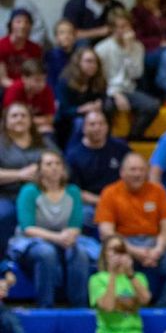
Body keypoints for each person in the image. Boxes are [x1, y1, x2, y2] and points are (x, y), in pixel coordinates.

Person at [95, 152, 166, 308]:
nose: (138, 174)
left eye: (141, 170)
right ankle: (120, 309)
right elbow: (106, 232)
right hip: (123, 246)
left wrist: (158, 250)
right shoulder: (110, 192)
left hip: (153, 244)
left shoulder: (158, 191)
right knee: (105, 257)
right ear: (122, 172)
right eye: (133, 170)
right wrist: (134, 251)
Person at [9, 150, 94, 307]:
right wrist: (57, 238)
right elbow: (27, 228)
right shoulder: (29, 191)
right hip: (32, 241)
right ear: (40, 169)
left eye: (57, 163)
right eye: (48, 164)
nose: (54, 167)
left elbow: (76, 225)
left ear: (63, 168)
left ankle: (79, 307)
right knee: (46, 252)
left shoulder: (73, 191)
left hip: (64, 240)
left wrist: (68, 236)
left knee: (80, 253)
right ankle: (45, 306)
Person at [95, 9, 160, 140]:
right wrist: (115, 94)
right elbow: (100, 79)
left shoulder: (137, 47)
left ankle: (132, 138)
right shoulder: (101, 48)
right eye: (118, 27)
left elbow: (137, 74)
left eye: (125, 26)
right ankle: (106, 140)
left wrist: (128, 50)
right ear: (112, 28)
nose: (122, 30)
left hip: (129, 89)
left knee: (152, 105)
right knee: (107, 107)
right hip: (108, 90)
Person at [0, 104, 56, 253]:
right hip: (8, 196)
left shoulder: (44, 142)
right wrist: (19, 174)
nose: (19, 119)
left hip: (43, 195)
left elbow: (63, 167)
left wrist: (44, 171)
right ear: (5, 120)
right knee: (3, 215)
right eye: (14, 116)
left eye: (23, 115)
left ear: (31, 120)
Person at [66, 109, 129, 231]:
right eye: (92, 124)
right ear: (84, 128)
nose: (97, 128)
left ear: (107, 127)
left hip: (120, 199)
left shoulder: (121, 148)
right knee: (84, 216)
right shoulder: (73, 156)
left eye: (101, 124)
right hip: (91, 204)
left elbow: (134, 172)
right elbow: (76, 191)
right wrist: (104, 202)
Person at [55, 46, 112, 148]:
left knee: (105, 115)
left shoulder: (98, 81)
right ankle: (73, 152)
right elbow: (63, 110)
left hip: (93, 115)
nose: (93, 65)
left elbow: (103, 99)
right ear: (78, 63)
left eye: (95, 62)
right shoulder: (65, 82)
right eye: (88, 61)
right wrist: (81, 109)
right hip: (69, 120)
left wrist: (99, 104)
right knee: (80, 122)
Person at [4, 59, 55, 135]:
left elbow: (50, 119)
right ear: (24, 79)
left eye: (44, 80)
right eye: (37, 80)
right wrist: (35, 123)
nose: (42, 84)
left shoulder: (47, 91)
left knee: (48, 131)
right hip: (16, 127)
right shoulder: (14, 90)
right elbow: (8, 119)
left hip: (35, 127)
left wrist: (29, 122)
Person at [0, 9, 42, 87]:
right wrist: (19, 88)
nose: (22, 26)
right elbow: (2, 79)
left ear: (30, 26)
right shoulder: (1, 46)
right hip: (6, 88)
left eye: (26, 22)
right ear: (11, 24)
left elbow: (35, 76)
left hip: (29, 88)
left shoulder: (35, 49)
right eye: (18, 22)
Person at [46, 18, 77, 92]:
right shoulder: (51, 56)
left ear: (75, 37)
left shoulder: (78, 55)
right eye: (62, 33)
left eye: (70, 32)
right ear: (56, 37)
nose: (66, 36)